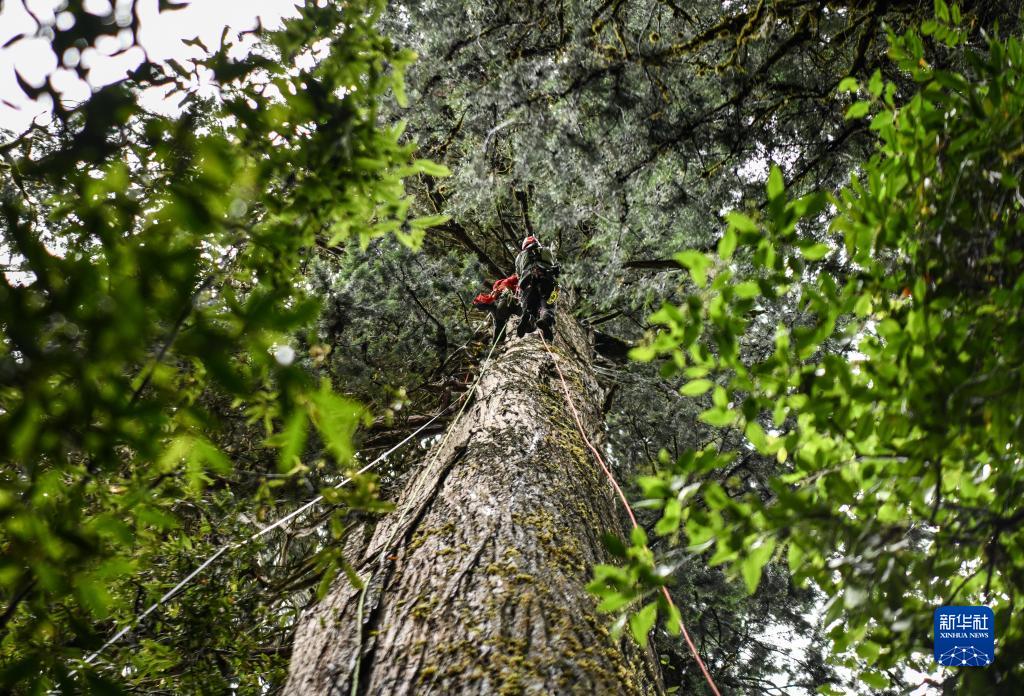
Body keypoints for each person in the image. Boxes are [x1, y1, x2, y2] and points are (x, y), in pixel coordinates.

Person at [514, 235, 559, 340]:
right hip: (547, 279)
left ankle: (528, 316)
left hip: (527, 281)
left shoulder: (519, 257)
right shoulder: (546, 250)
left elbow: (518, 274)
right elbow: (554, 265)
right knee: (549, 305)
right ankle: (546, 319)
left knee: (529, 306)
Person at [472, 274, 519, 344]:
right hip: (499, 302)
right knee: (499, 320)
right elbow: (515, 279)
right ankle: (498, 340)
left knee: (498, 321)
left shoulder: (498, 287)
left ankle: (498, 340)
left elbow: (513, 280)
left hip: (495, 303)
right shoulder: (503, 283)